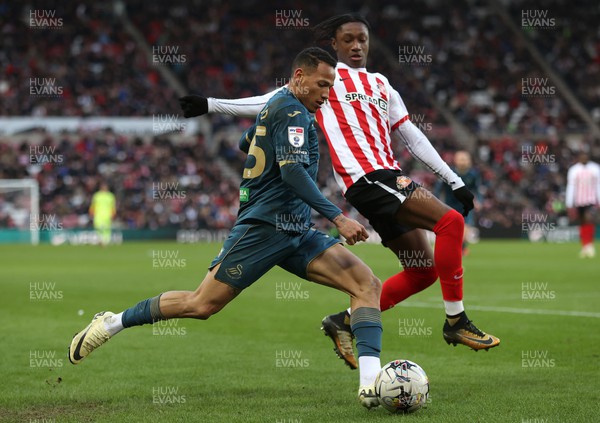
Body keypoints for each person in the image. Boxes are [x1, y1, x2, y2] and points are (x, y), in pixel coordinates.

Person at [179, 14, 500, 371]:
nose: (356, 46)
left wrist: (455, 179)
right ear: (334, 45)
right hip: (369, 178)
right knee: (451, 222)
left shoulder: (382, 84)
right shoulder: (327, 81)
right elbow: (267, 101)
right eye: (348, 39)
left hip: (387, 178)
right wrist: (210, 104)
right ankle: (456, 321)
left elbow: (412, 137)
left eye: (362, 39)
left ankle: (343, 321)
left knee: (422, 271)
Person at [69, 47, 383, 409]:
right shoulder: (293, 110)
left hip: (296, 229)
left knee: (366, 284)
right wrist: (338, 217)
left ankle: (370, 385)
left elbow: (243, 141)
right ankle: (112, 323)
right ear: (299, 77)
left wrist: (262, 138)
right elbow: (293, 171)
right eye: (322, 85)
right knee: (201, 304)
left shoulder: (279, 104)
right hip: (264, 227)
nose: (326, 94)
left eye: (331, 86)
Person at [435, 150, 482, 256]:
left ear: (469, 161)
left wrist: (479, 201)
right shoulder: (448, 172)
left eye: (465, 159)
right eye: (461, 159)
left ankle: (461, 248)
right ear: (455, 160)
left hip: (466, 206)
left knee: (465, 228)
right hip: (450, 205)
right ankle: (454, 249)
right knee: (451, 230)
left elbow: (477, 189)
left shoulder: (473, 174)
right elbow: (438, 188)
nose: (463, 161)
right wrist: (436, 201)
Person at [566, 152, 600, 258]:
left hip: (591, 200)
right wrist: (569, 203)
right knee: (583, 222)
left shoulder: (595, 168)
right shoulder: (574, 170)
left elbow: (598, 185)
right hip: (579, 201)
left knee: (589, 220)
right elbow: (571, 186)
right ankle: (585, 246)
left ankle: (589, 245)